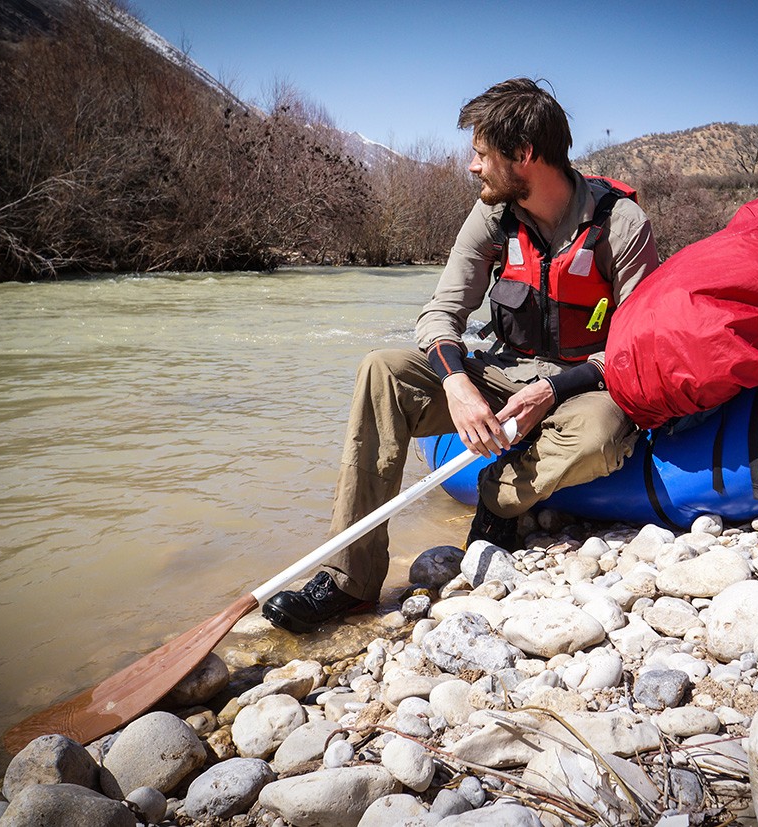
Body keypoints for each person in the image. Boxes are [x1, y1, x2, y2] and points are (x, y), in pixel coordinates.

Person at [263, 77, 659, 633]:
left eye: (481, 154)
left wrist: (551, 389)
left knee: (597, 433)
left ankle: (497, 504)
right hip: (499, 370)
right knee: (382, 368)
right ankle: (351, 580)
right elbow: (438, 315)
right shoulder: (491, 217)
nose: (473, 168)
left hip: (583, 389)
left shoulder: (620, 224)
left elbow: (636, 348)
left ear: (523, 155)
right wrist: (456, 383)